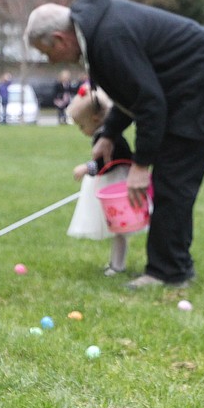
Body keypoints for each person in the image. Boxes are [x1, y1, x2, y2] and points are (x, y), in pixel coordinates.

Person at [25, 0, 204, 288]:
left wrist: (141, 166)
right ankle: (173, 265)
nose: (49, 60)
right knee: (171, 175)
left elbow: (150, 103)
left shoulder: (108, 39)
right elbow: (131, 91)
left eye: (46, 51)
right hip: (190, 85)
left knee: (173, 177)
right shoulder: (96, 33)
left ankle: (169, 272)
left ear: (61, 39)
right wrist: (109, 134)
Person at [65, 87, 133, 275]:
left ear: (95, 119)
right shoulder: (105, 134)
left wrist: (87, 168)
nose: (81, 130)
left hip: (116, 185)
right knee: (116, 228)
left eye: (81, 126)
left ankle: (118, 265)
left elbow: (108, 163)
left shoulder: (109, 137)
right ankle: (115, 263)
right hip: (110, 183)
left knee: (119, 228)